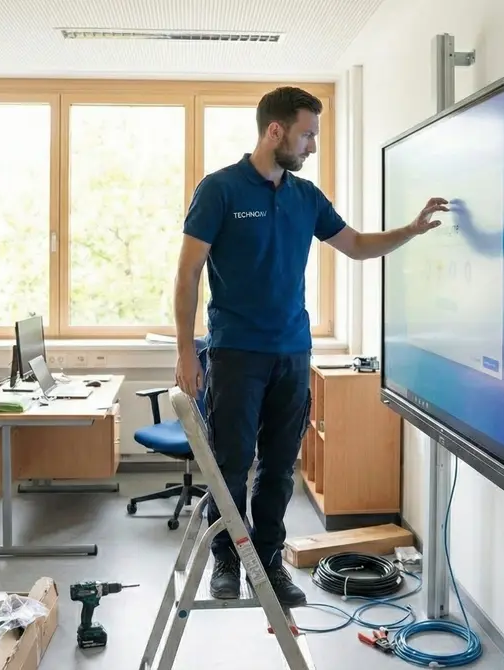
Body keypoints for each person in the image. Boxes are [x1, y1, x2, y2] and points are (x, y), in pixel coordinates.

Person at [172, 86, 448, 607]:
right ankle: (228, 561)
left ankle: (270, 563)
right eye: (307, 135)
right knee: (232, 464)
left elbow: (358, 246)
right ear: (275, 131)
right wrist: (187, 352)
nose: (312, 147)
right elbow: (187, 274)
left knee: (279, 467)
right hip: (235, 354)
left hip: (292, 354)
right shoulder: (220, 190)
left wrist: (411, 230)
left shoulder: (305, 198)